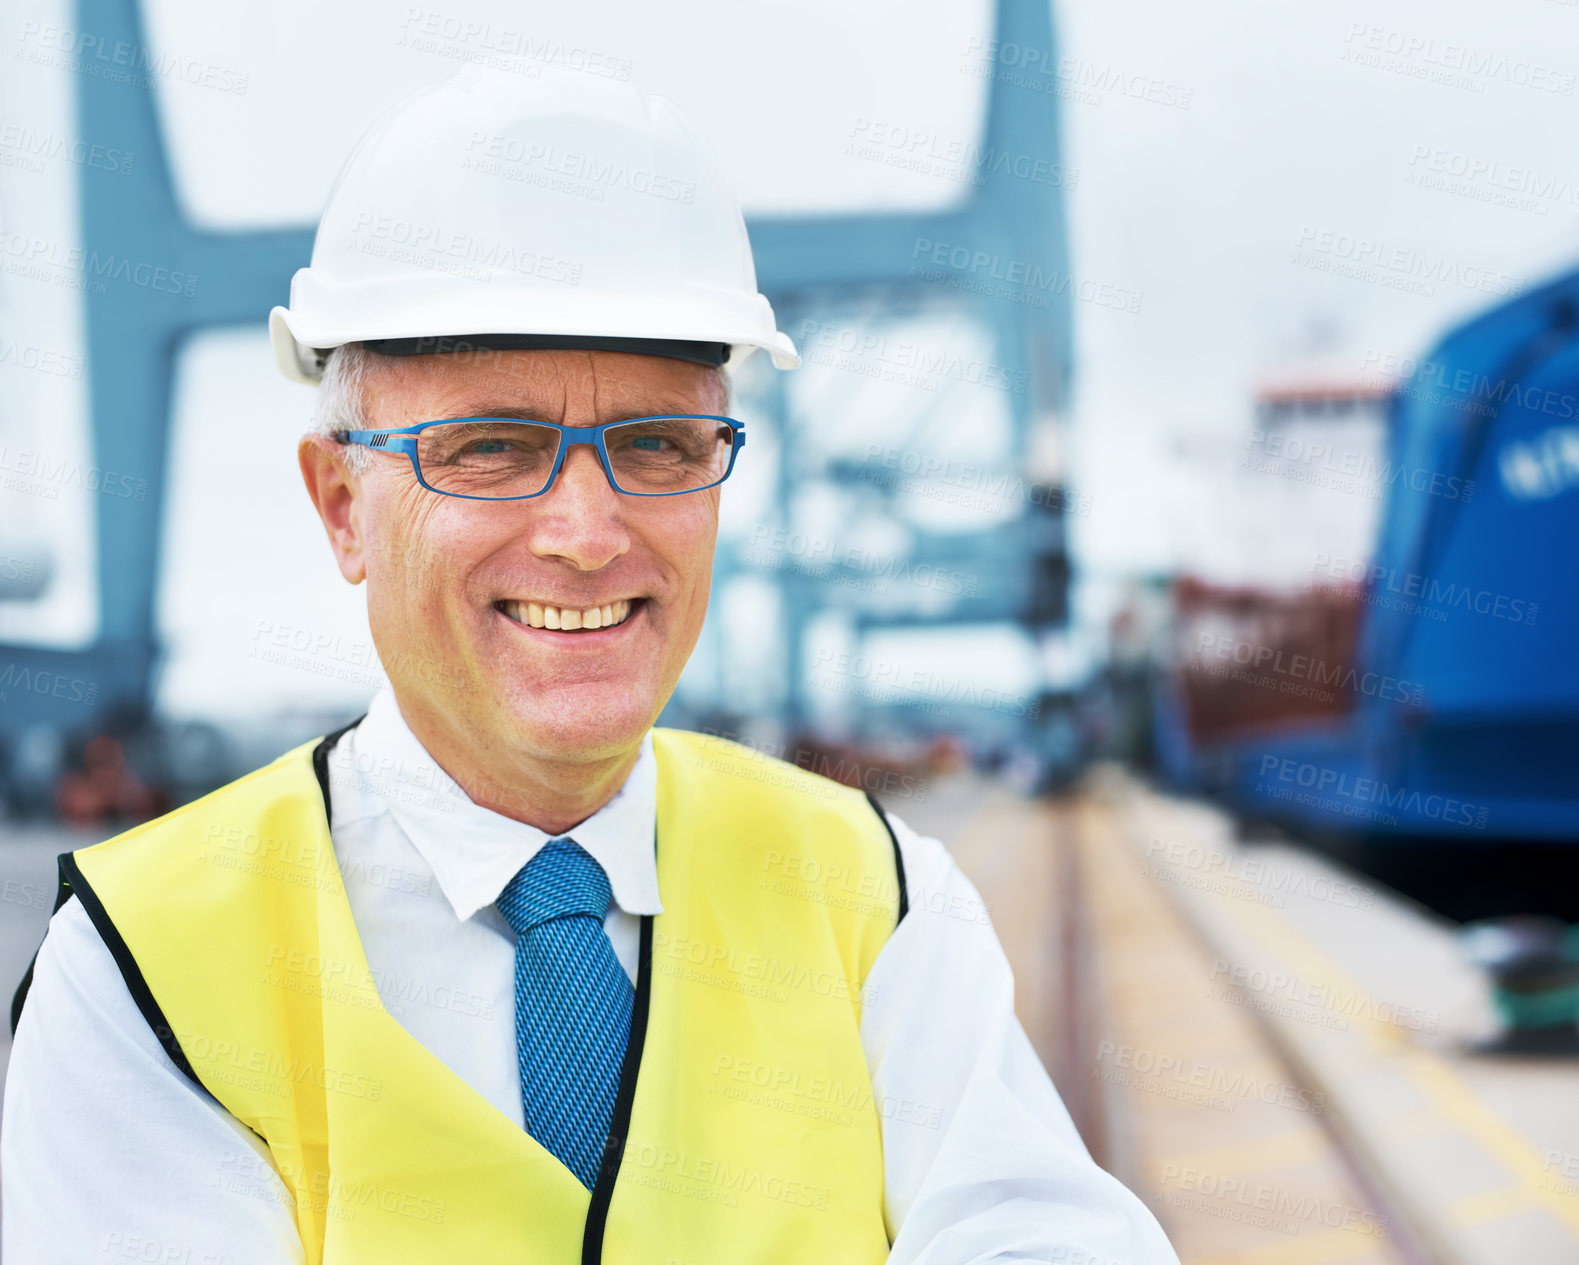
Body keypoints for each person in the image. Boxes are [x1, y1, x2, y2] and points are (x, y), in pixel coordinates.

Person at [2, 66, 1179, 1264]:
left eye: (659, 444)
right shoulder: (143, 973)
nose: (587, 531)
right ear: (341, 503)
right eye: (493, 448)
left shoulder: (880, 901)